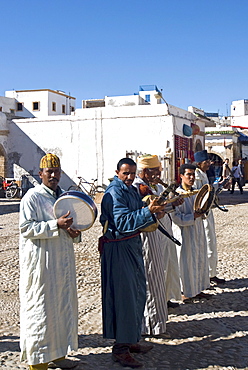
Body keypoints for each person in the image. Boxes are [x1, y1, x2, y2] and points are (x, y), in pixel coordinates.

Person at [100, 157, 166, 368]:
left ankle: (130, 340)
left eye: (132, 173)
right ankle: (120, 349)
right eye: (125, 173)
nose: (129, 177)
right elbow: (122, 221)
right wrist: (148, 212)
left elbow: (139, 213)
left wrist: (156, 212)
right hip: (118, 249)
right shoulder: (114, 192)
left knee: (137, 292)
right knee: (124, 297)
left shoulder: (130, 190)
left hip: (132, 245)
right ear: (117, 172)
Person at [19, 153, 81, 370]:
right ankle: (38, 360)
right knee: (41, 309)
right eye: (49, 172)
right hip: (42, 264)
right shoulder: (32, 198)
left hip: (62, 262)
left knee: (62, 306)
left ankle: (58, 352)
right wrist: (55, 224)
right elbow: (26, 228)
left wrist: (75, 232)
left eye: (57, 171)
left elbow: (74, 224)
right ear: (40, 173)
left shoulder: (65, 198)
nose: (54, 175)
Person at [132, 154, 182, 336]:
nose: (158, 174)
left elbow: (160, 209)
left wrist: (172, 205)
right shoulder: (137, 188)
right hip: (146, 237)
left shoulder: (155, 187)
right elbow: (140, 212)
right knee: (149, 279)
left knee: (158, 278)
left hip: (158, 237)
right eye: (155, 171)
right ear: (145, 172)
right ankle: (148, 324)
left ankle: (158, 322)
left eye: (159, 171)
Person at [171, 163, 210, 300]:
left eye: (193, 174)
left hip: (197, 231)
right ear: (181, 176)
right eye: (188, 174)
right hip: (184, 234)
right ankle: (185, 292)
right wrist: (192, 217)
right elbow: (175, 217)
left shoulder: (196, 193)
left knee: (199, 259)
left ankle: (197, 288)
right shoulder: (176, 195)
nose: (192, 177)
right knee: (185, 263)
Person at [194, 150, 225, 285]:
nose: (209, 164)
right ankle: (205, 275)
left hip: (208, 214)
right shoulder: (196, 176)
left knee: (211, 242)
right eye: (206, 162)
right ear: (199, 163)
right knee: (205, 243)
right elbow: (199, 195)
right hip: (202, 215)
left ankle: (212, 273)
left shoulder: (204, 174)